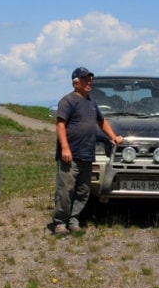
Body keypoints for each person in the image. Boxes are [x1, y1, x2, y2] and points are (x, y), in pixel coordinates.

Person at [52, 67, 123, 235]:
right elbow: (60, 125)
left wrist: (113, 137)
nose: (89, 82)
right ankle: (60, 222)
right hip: (71, 155)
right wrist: (65, 148)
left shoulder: (91, 102)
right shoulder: (67, 101)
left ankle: (73, 220)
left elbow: (101, 121)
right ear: (75, 83)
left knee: (83, 191)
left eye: (90, 79)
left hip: (87, 154)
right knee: (65, 190)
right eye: (85, 80)